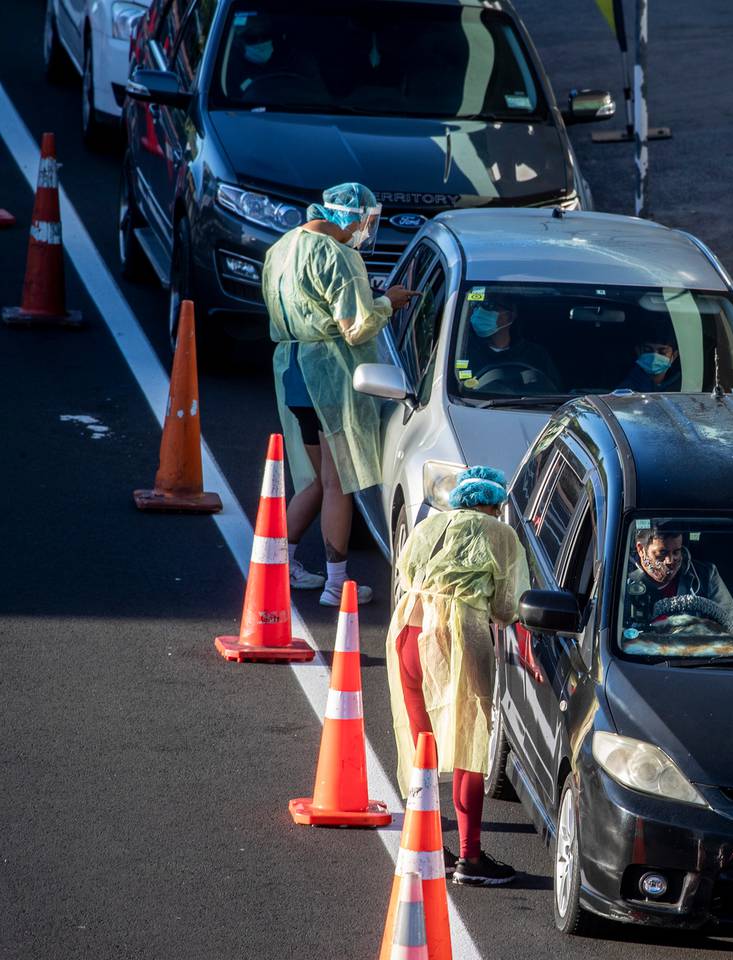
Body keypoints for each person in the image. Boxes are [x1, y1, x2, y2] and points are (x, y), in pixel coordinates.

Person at [264, 181, 412, 606]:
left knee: (312, 482)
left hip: (292, 374)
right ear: (349, 216)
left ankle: (279, 563)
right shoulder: (339, 256)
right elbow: (355, 326)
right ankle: (335, 585)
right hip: (327, 377)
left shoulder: (283, 247)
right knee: (337, 483)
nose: (366, 229)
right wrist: (388, 302)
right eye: (366, 220)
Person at [385, 465, 527, 887]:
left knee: (420, 745)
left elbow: (406, 573)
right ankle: (470, 857)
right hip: (457, 635)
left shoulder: (429, 526)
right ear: (491, 503)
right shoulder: (499, 534)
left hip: (409, 629)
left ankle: (427, 842)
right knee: (469, 743)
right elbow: (506, 606)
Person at [624, 528, 733, 632]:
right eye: (662, 553)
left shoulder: (705, 575)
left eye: (676, 552)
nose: (670, 560)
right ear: (641, 550)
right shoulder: (621, 580)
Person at [458, 294, 561, 393]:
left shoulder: (536, 355)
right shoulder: (463, 352)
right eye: (476, 304)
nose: (479, 311)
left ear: (509, 317)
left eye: (489, 305)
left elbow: (552, 392)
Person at [617, 323, 682, 392]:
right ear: (638, 351)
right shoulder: (627, 384)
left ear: (674, 355)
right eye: (648, 350)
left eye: (662, 352)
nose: (654, 356)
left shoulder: (683, 384)